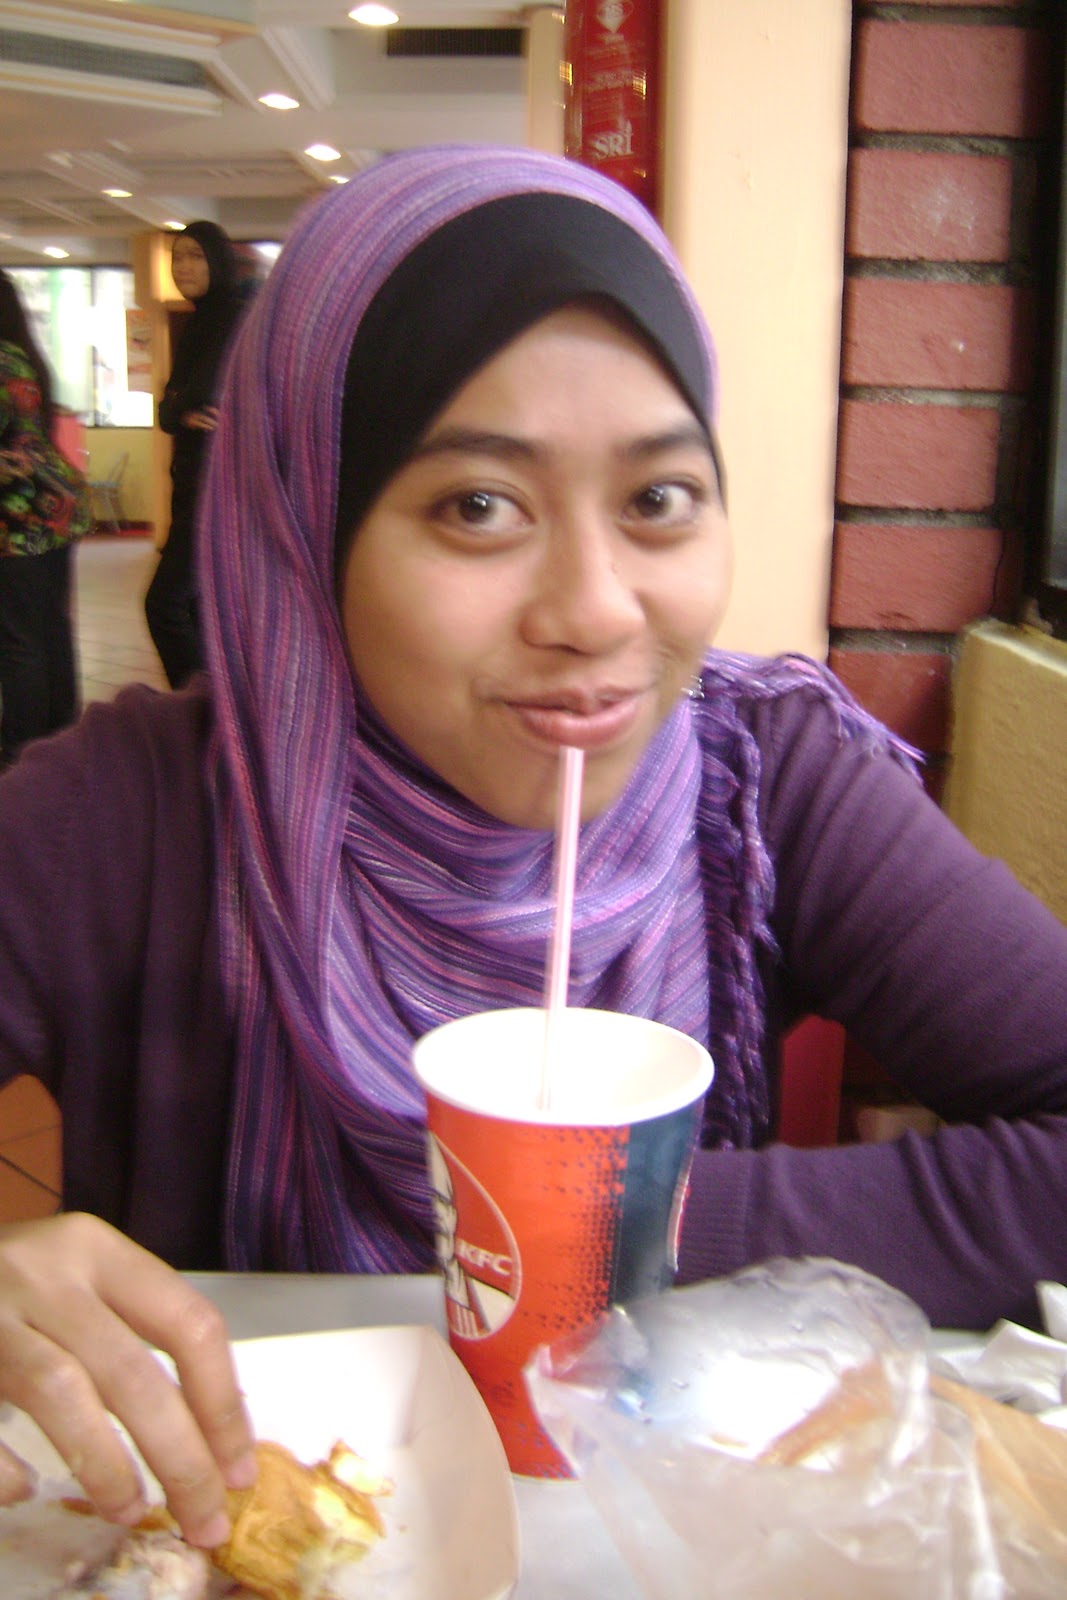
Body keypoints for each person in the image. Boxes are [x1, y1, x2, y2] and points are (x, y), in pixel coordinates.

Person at [1, 144, 1066, 1547]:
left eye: (657, 499)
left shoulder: (764, 785)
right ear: (304, 528)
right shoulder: (119, 818)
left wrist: (636, 1228)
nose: (597, 611)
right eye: (477, 506)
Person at [144, 220, 244, 688]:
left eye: (195, 256)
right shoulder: (198, 322)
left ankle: (198, 705)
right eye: (177, 257)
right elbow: (166, 413)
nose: (183, 267)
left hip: (215, 488)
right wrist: (179, 408)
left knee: (164, 604)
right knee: (200, 608)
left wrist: (179, 404)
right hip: (192, 483)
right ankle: (215, 709)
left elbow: (201, 393)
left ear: (217, 262)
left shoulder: (233, 317)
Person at [0, 269, 90, 766]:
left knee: (20, 640)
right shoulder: (23, 357)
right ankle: (59, 737)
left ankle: (23, 751)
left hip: (19, 519)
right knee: (51, 629)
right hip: (54, 508)